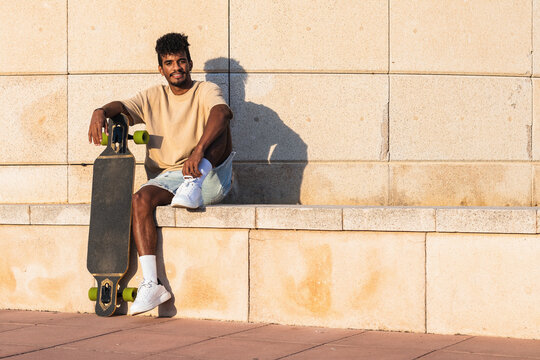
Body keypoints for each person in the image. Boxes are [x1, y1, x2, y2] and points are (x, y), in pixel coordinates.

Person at [88, 33, 234, 315]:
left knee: (222, 118)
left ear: (189, 63)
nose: (176, 67)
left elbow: (221, 112)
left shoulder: (205, 90)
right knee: (139, 199)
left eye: (181, 61)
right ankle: (152, 283)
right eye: (169, 63)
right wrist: (100, 111)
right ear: (161, 68)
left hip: (209, 174)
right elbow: (122, 108)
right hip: (170, 177)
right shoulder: (153, 96)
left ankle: (195, 181)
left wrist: (199, 151)